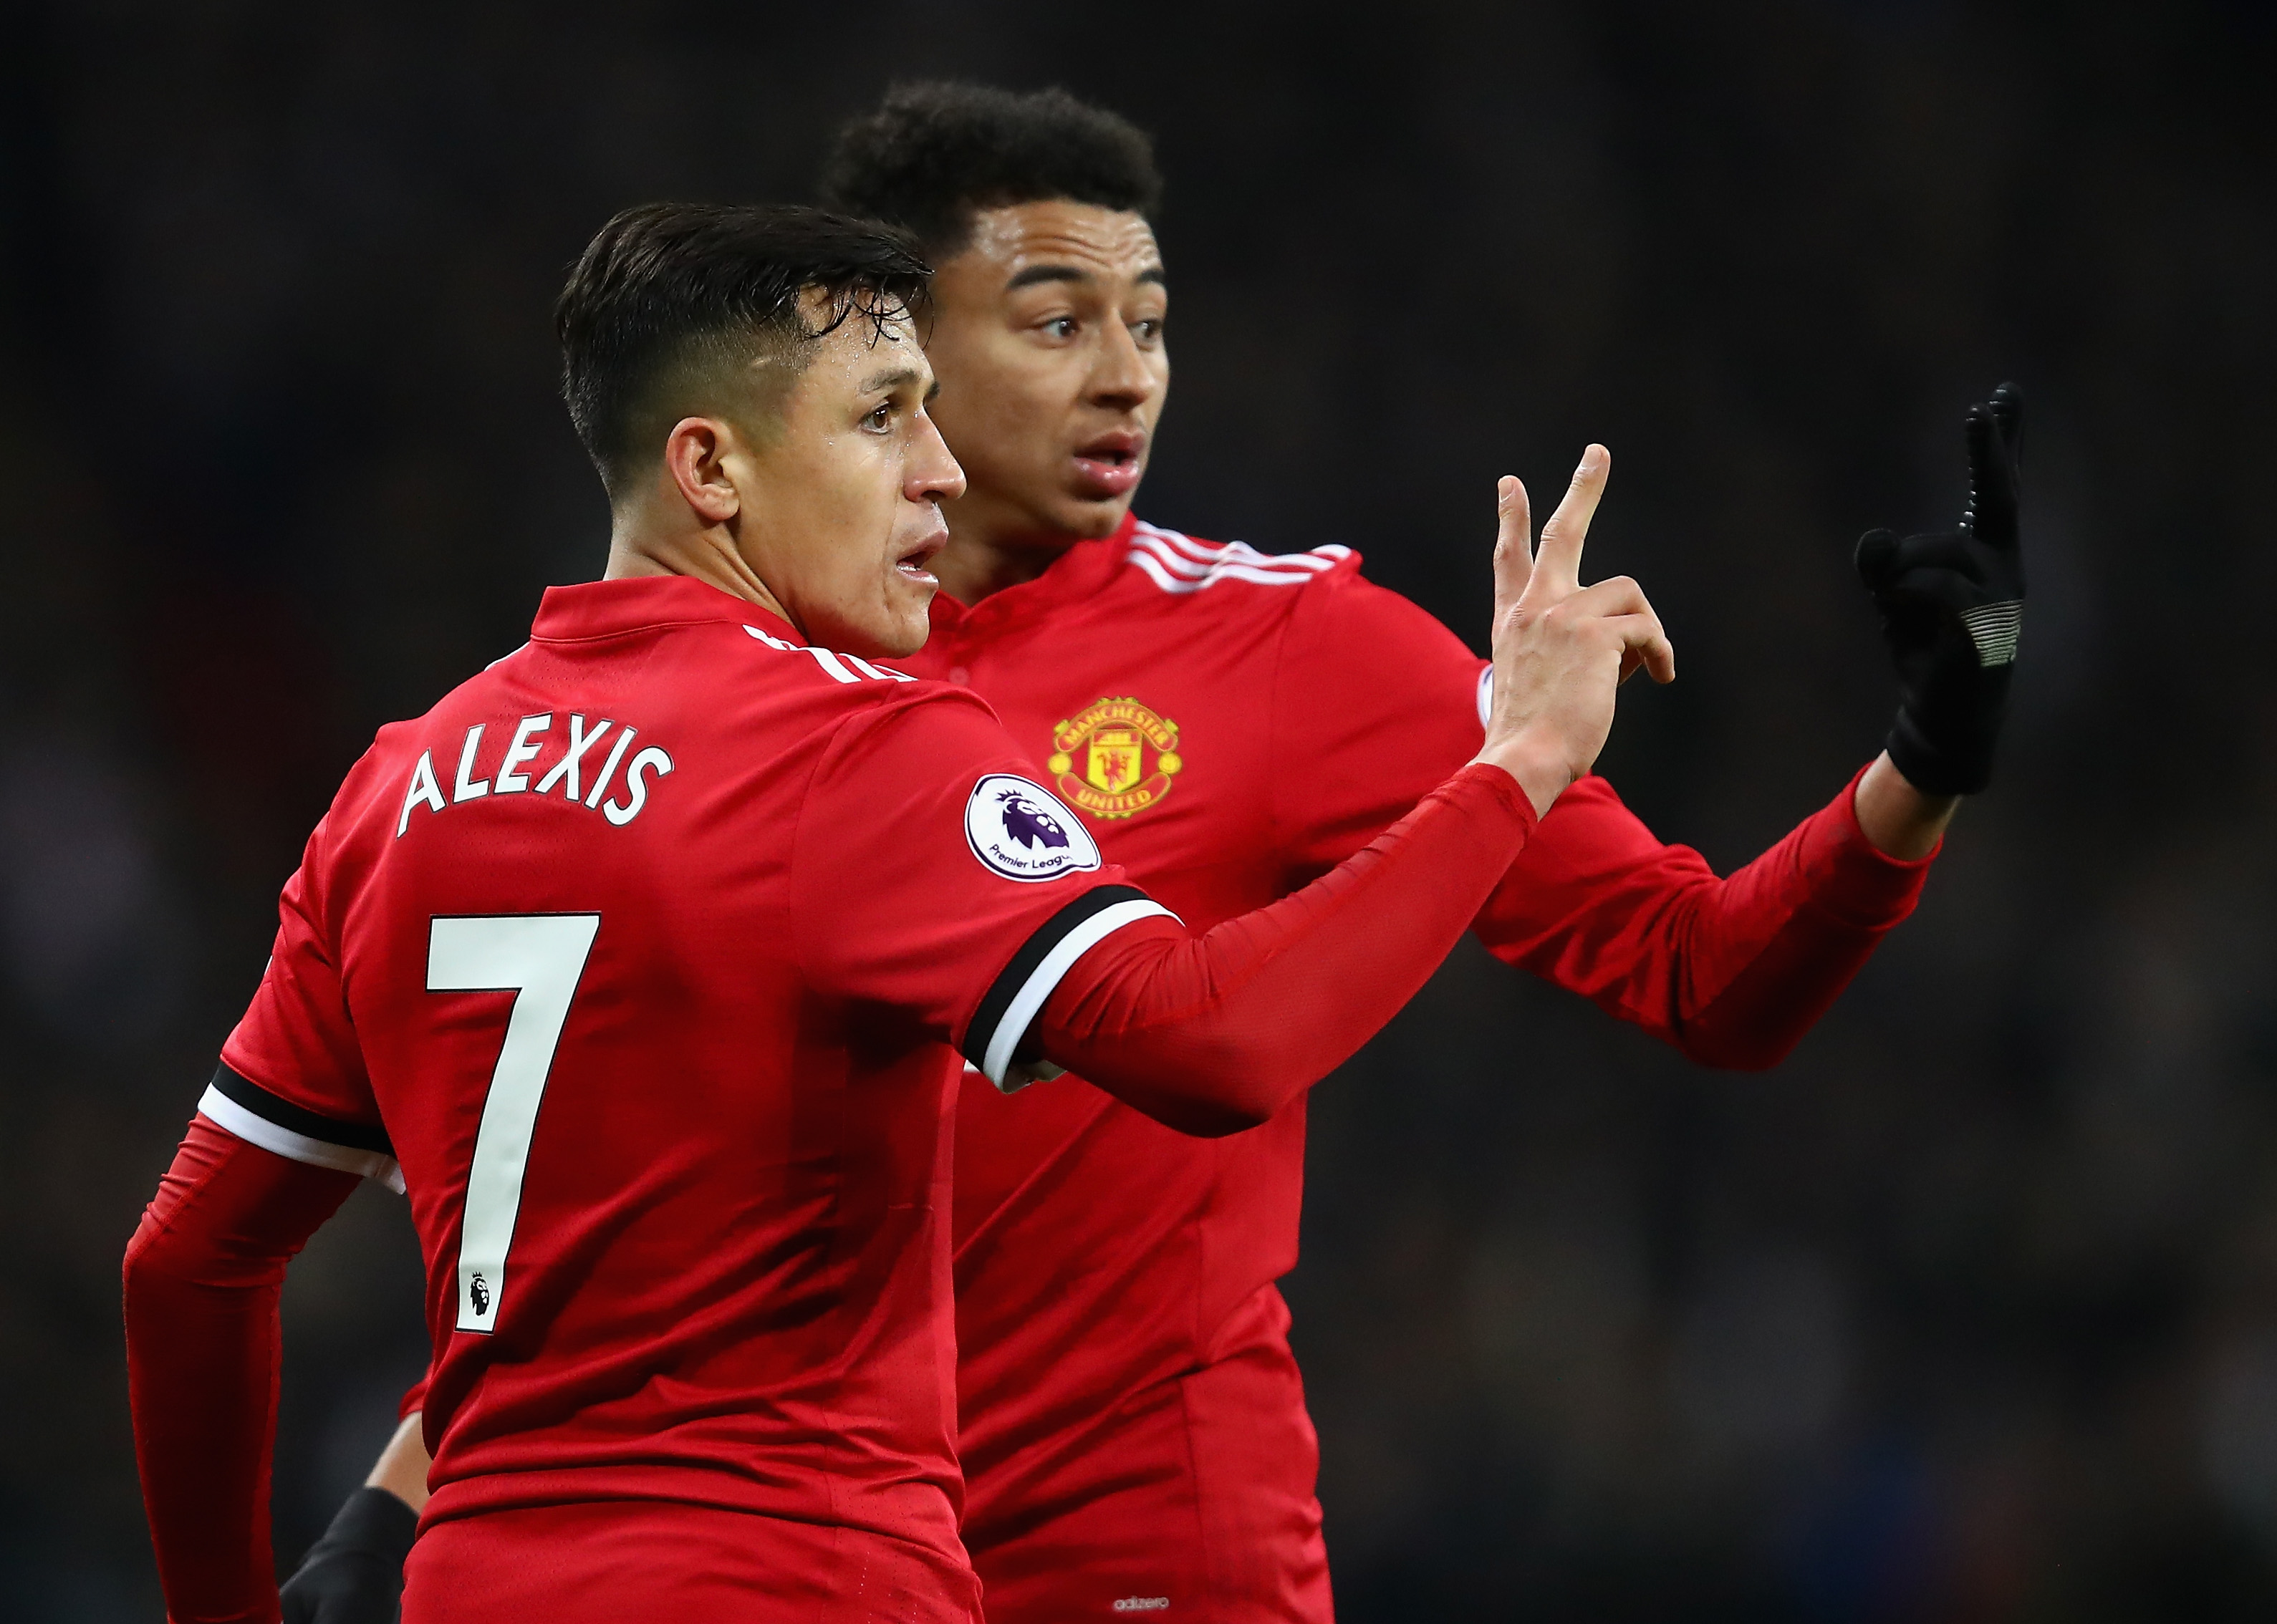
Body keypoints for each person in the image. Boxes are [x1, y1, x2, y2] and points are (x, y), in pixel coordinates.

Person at [283, 88, 2026, 1623]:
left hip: (1134, 1561)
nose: (1127, 371)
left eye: (1150, 319)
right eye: (1053, 321)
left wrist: (1921, 770)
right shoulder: (740, 702)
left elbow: (1704, 974)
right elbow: (653, 1188)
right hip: (807, 1560)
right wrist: (401, 1493)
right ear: (890, 352)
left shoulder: (1293, 648)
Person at [124, 202, 1675, 1623]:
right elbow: (1213, 1042)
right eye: (883, 416)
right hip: (798, 1578)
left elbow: (184, 1266)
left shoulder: (400, 791)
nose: (938, 468)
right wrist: (1521, 758)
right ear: (712, 469)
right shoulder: (850, 749)